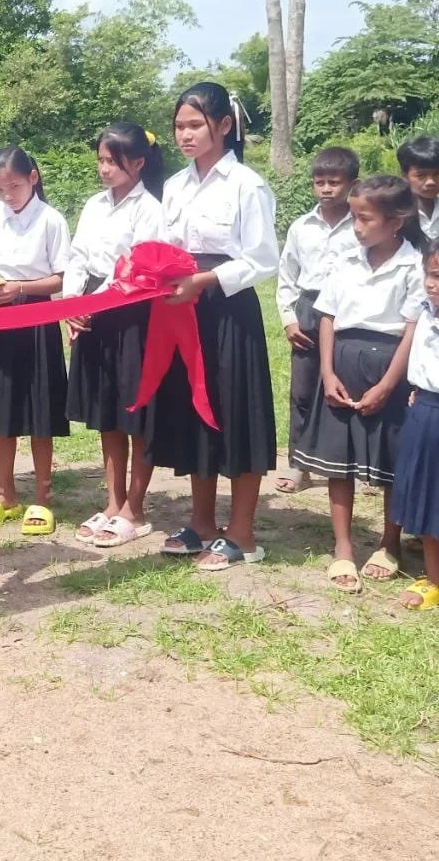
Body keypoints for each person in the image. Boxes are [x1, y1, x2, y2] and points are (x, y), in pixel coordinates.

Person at [152, 81, 279, 572]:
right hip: (184, 311)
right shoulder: (174, 186)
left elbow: (263, 258)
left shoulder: (247, 184)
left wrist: (204, 281)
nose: (185, 135)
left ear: (224, 125)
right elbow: (167, 247)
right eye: (179, 126)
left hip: (229, 311)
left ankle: (243, 533)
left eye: (195, 125)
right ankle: (202, 524)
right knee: (196, 410)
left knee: (237, 411)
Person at [291, 175, 424, 592]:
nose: (356, 226)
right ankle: (344, 546)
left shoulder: (414, 266)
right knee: (339, 460)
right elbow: (327, 316)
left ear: (395, 222)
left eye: (365, 219)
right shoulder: (346, 260)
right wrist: (327, 372)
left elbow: (412, 329)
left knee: (391, 461)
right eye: (353, 218)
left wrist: (388, 384)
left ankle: (390, 542)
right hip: (342, 363)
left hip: (390, 367)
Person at [64, 124, 164, 548]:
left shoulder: (150, 209)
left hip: (132, 313)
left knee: (134, 412)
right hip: (92, 311)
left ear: (137, 163)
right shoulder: (94, 205)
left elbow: (136, 266)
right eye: (101, 160)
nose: (104, 169)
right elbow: (77, 256)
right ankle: (113, 501)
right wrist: (72, 303)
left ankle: (135, 509)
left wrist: (94, 302)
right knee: (107, 412)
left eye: (113, 161)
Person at [0, 147, 71, 536]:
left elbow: (61, 277)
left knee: (39, 408)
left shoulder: (51, 220)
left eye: (15, 186)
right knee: (1, 406)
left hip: (36, 316)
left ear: (33, 178)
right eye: (1, 189)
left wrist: (20, 288)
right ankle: (5, 492)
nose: (8, 195)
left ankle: (42, 496)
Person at [274, 147, 359, 494]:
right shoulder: (301, 227)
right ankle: (299, 464)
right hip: (309, 309)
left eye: (334, 182)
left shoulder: (361, 224)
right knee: (304, 390)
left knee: (348, 386)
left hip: (350, 312)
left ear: (352, 184)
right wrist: (288, 319)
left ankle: (353, 463)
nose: (325, 189)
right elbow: (287, 275)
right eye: (319, 182)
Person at [390, 237, 439, 610]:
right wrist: (418, 389)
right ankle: (433, 579)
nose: (433, 284)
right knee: (426, 495)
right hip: (425, 411)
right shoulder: (425, 311)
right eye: (431, 274)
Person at [396, 134, 439, 242]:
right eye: (421, 175)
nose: (431, 182)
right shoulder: (397, 212)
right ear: (405, 176)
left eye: (437, 174)